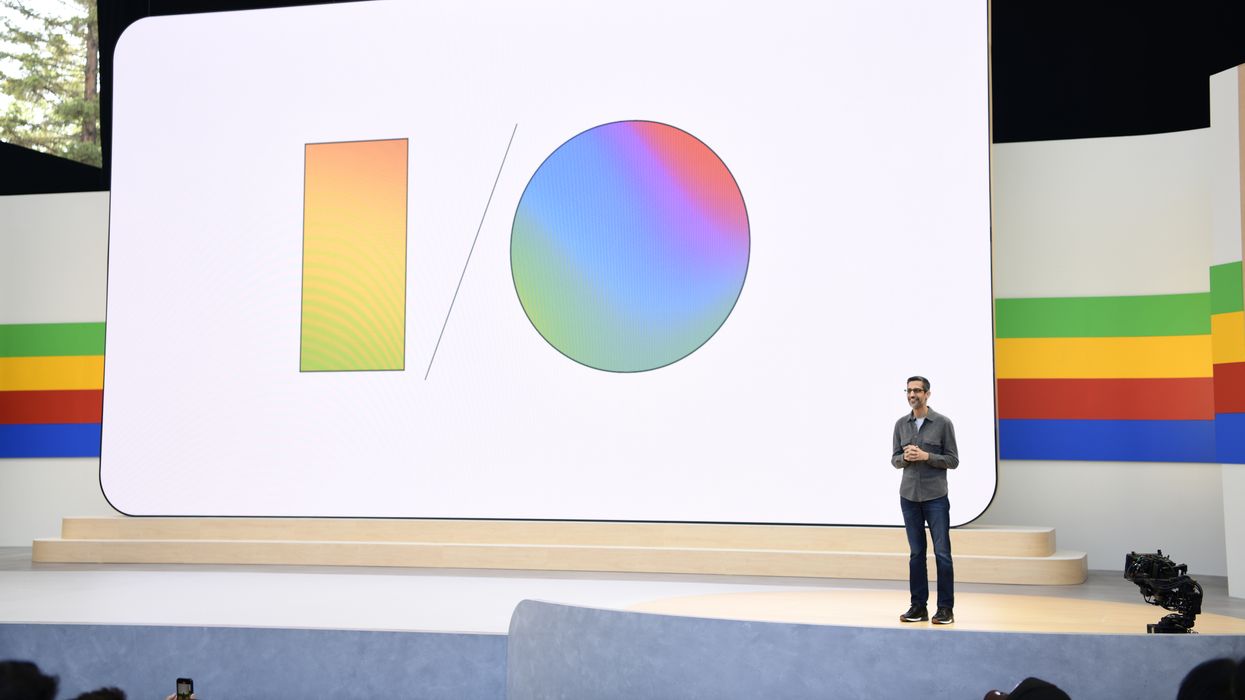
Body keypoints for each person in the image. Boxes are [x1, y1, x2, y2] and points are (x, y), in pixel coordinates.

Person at [893, 375, 959, 624]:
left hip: (935, 498)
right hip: (909, 496)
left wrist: (926, 456)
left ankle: (945, 609)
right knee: (916, 554)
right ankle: (918, 607)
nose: (912, 395)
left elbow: (952, 460)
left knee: (942, 553)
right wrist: (905, 458)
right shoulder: (901, 424)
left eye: (917, 391)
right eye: (909, 391)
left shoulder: (943, 423)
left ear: (927, 394)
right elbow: (894, 459)